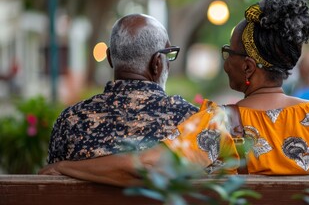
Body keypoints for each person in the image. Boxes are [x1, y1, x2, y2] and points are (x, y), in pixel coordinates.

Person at [40, 0, 309, 186]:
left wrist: (63, 167)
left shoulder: (217, 127)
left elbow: (145, 167)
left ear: (248, 67)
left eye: (227, 53)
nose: (224, 61)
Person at [46, 13, 199, 164]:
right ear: (157, 63)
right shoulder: (189, 120)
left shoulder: (71, 121)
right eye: (168, 55)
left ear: (109, 58)